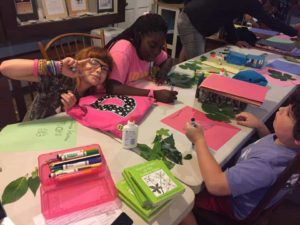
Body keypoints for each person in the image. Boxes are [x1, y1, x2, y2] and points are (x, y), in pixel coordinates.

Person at [181, 87, 300, 225]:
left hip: (230, 204)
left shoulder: (266, 164)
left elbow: (215, 185)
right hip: (247, 194)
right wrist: (261, 127)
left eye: (288, 114)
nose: (281, 109)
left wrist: (199, 140)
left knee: (181, 198)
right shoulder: (288, 146)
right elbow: (273, 148)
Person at [0, 46, 113, 121]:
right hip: (33, 130)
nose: (99, 70)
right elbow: (5, 68)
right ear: (80, 61)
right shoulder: (61, 77)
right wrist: (56, 66)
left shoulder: (93, 96)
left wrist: (72, 109)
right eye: (94, 62)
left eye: (104, 68)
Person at [178, 0, 300, 61]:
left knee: (189, 55)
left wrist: (235, 39)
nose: (269, 9)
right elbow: (268, 20)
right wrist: (295, 31)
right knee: (195, 63)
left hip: (192, 17)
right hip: (192, 20)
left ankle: (174, 82)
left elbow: (226, 16)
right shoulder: (250, 2)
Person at [105, 13, 178, 103]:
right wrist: (154, 94)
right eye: (152, 45)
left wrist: (163, 71)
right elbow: (113, 87)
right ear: (139, 36)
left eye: (160, 47)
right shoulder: (123, 51)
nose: (156, 52)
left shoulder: (151, 48)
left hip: (137, 101)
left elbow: (168, 60)